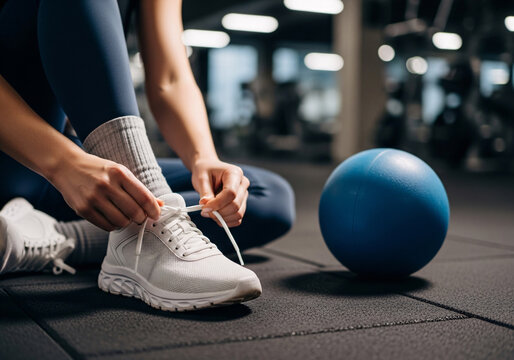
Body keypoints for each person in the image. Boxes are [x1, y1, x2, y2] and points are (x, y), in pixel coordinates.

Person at [0, 0, 295, 311]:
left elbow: (169, 78)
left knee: (266, 195)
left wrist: (204, 158)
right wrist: (62, 163)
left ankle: (41, 239)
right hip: (22, 158)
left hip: (55, 178)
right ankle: (143, 233)